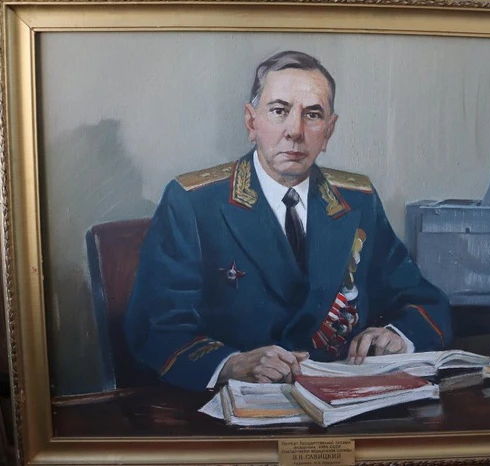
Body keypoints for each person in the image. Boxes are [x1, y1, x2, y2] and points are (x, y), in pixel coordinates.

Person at [124, 51, 452, 392]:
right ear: (251, 122)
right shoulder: (193, 202)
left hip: (344, 398)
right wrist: (230, 365)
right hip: (234, 403)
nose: (295, 131)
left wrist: (397, 336)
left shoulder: (357, 200)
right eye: (279, 111)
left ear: (329, 130)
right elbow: (156, 327)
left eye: (313, 115)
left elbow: (427, 301)